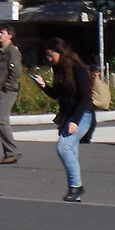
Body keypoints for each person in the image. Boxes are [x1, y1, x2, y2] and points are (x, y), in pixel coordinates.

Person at [40, 38, 94, 202]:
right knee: (71, 150)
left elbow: (86, 96)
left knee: (63, 147)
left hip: (83, 114)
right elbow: (58, 95)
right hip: (68, 115)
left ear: (60, 52)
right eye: (47, 57)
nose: (49, 59)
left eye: (51, 56)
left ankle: (76, 186)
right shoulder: (59, 69)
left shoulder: (77, 68)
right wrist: (43, 86)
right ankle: (75, 193)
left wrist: (75, 121)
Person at [0, 24, 23, 164]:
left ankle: (13, 151)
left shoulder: (12, 51)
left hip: (8, 90)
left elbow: (15, 72)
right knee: (3, 121)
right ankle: (9, 153)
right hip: (0, 88)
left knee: (0, 121)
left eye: (1, 33)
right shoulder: (2, 52)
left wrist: (7, 86)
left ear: (10, 35)